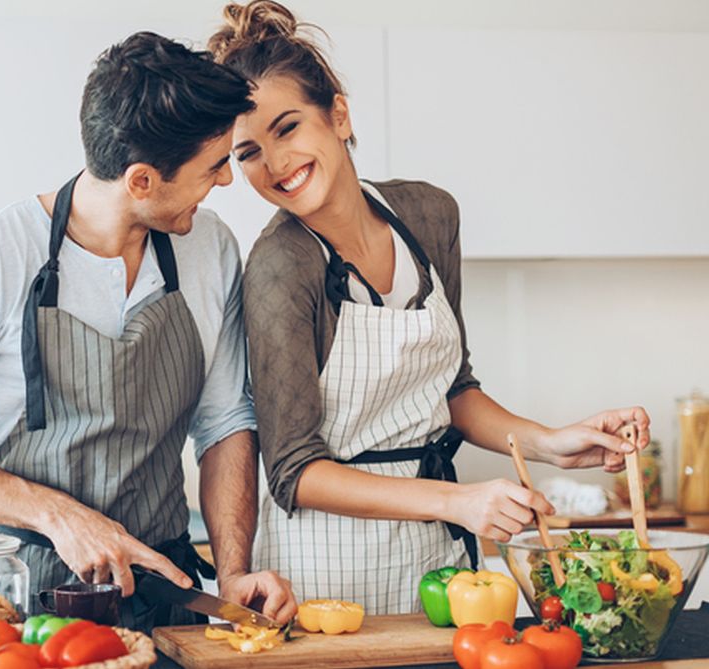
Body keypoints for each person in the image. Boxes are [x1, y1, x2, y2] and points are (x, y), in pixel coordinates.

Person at [207, 0, 652, 614]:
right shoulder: (282, 266)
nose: (274, 164)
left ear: (337, 113)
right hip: (326, 572)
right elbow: (292, 472)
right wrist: (458, 501)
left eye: (287, 128)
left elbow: (452, 390)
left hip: (439, 562)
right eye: (247, 152)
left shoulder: (428, 215)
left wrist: (550, 443)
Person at [0, 31, 298, 630]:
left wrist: (230, 574)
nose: (225, 181)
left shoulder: (210, 248)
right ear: (142, 181)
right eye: (212, 167)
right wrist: (60, 516)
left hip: (163, 595)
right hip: (20, 602)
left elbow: (225, 422)